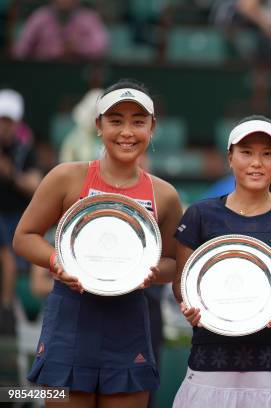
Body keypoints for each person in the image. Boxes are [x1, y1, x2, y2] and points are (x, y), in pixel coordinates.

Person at [12, 79, 183, 407]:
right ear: (98, 126)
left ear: (152, 127)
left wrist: (151, 272)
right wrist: (55, 262)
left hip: (129, 325)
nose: (127, 132)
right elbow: (24, 237)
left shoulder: (165, 195)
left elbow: (175, 264)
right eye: (115, 121)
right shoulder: (66, 177)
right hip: (70, 324)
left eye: (138, 121)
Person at [172, 115, 271, 408]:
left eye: (267, 154)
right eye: (246, 152)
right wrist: (191, 306)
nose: (256, 162)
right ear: (230, 157)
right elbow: (182, 287)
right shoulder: (200, 214)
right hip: (210, 361)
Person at [0, 89, 42, 336]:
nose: (4, 127)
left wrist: (11, 175)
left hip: (16, 221)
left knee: (7, 246)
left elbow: (35, 184)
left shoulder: (25, 151)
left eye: (8, 121)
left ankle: (6, 310)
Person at [13, 0, 108, 61]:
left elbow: (101, 46)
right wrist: (48, 51)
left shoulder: (88, 17)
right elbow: (20, 50)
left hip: (78, 70)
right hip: (43, 70)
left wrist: (78, 47)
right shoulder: (40, 17)